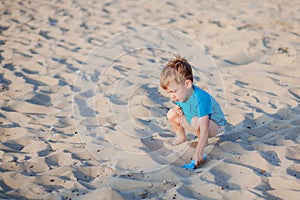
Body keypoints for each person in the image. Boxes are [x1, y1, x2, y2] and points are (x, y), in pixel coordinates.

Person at [160, 55, 226, 167]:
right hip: (195, 120)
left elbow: (204, 128)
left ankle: (203, 145)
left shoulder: (201, 98)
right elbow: (187, 107)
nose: (172, 96)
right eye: (169, 92)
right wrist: (180, 110)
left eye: (173, 91)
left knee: (197, 121)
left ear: (187, 84)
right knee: (172, 114)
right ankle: (181, 137)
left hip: (215, 126)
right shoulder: (181, 94)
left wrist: (198, 153)